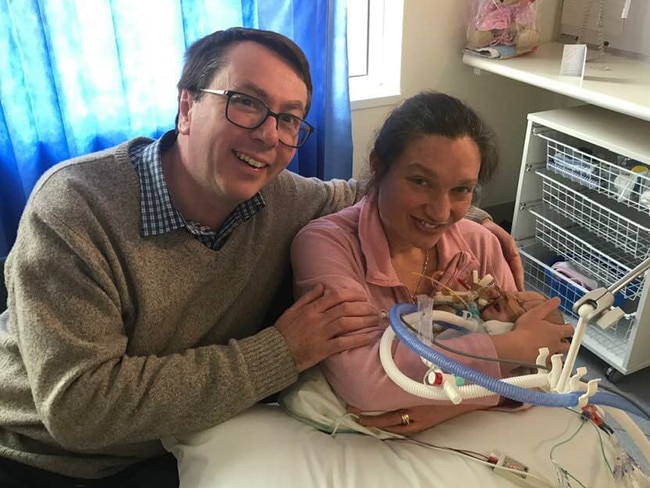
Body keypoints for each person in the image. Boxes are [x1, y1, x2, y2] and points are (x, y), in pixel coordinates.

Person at [0, 28, 520, 487]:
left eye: (290, 119)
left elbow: (367, 192)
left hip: (184, 439)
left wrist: (478, 223)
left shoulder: (279, 196)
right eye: (246, 103)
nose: (270, 134)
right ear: (186, 106)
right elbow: (80, 408)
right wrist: (281, 352)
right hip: (49, 459)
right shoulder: (77, 207)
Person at [290, 91, 574, 435]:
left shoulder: (480, 245)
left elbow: (541, 374)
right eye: (421, 182)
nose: (441, 212)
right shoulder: (327, 246)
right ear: (379, 166)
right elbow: (364, 383)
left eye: (461, 190)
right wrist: (513, 349)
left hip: (467, 429)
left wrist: (455, 405)